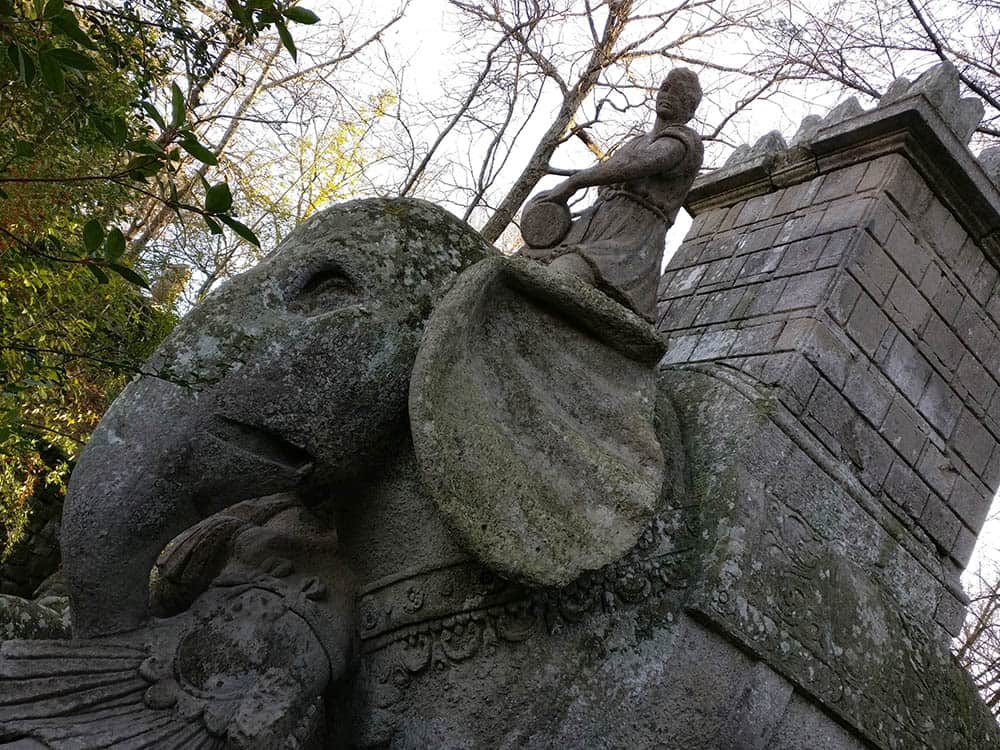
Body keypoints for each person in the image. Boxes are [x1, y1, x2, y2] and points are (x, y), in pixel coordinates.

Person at [521, 68, 704, 322]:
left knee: (560, 275)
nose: (669, 95)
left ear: (690, 110)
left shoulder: (686, 141)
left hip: (628, 243)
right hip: (593, 228)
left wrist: (576, 181)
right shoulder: (635, 142)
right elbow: (615, 173)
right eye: (665, 87)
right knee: (522, 262)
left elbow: (644, 162)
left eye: (681, 95)